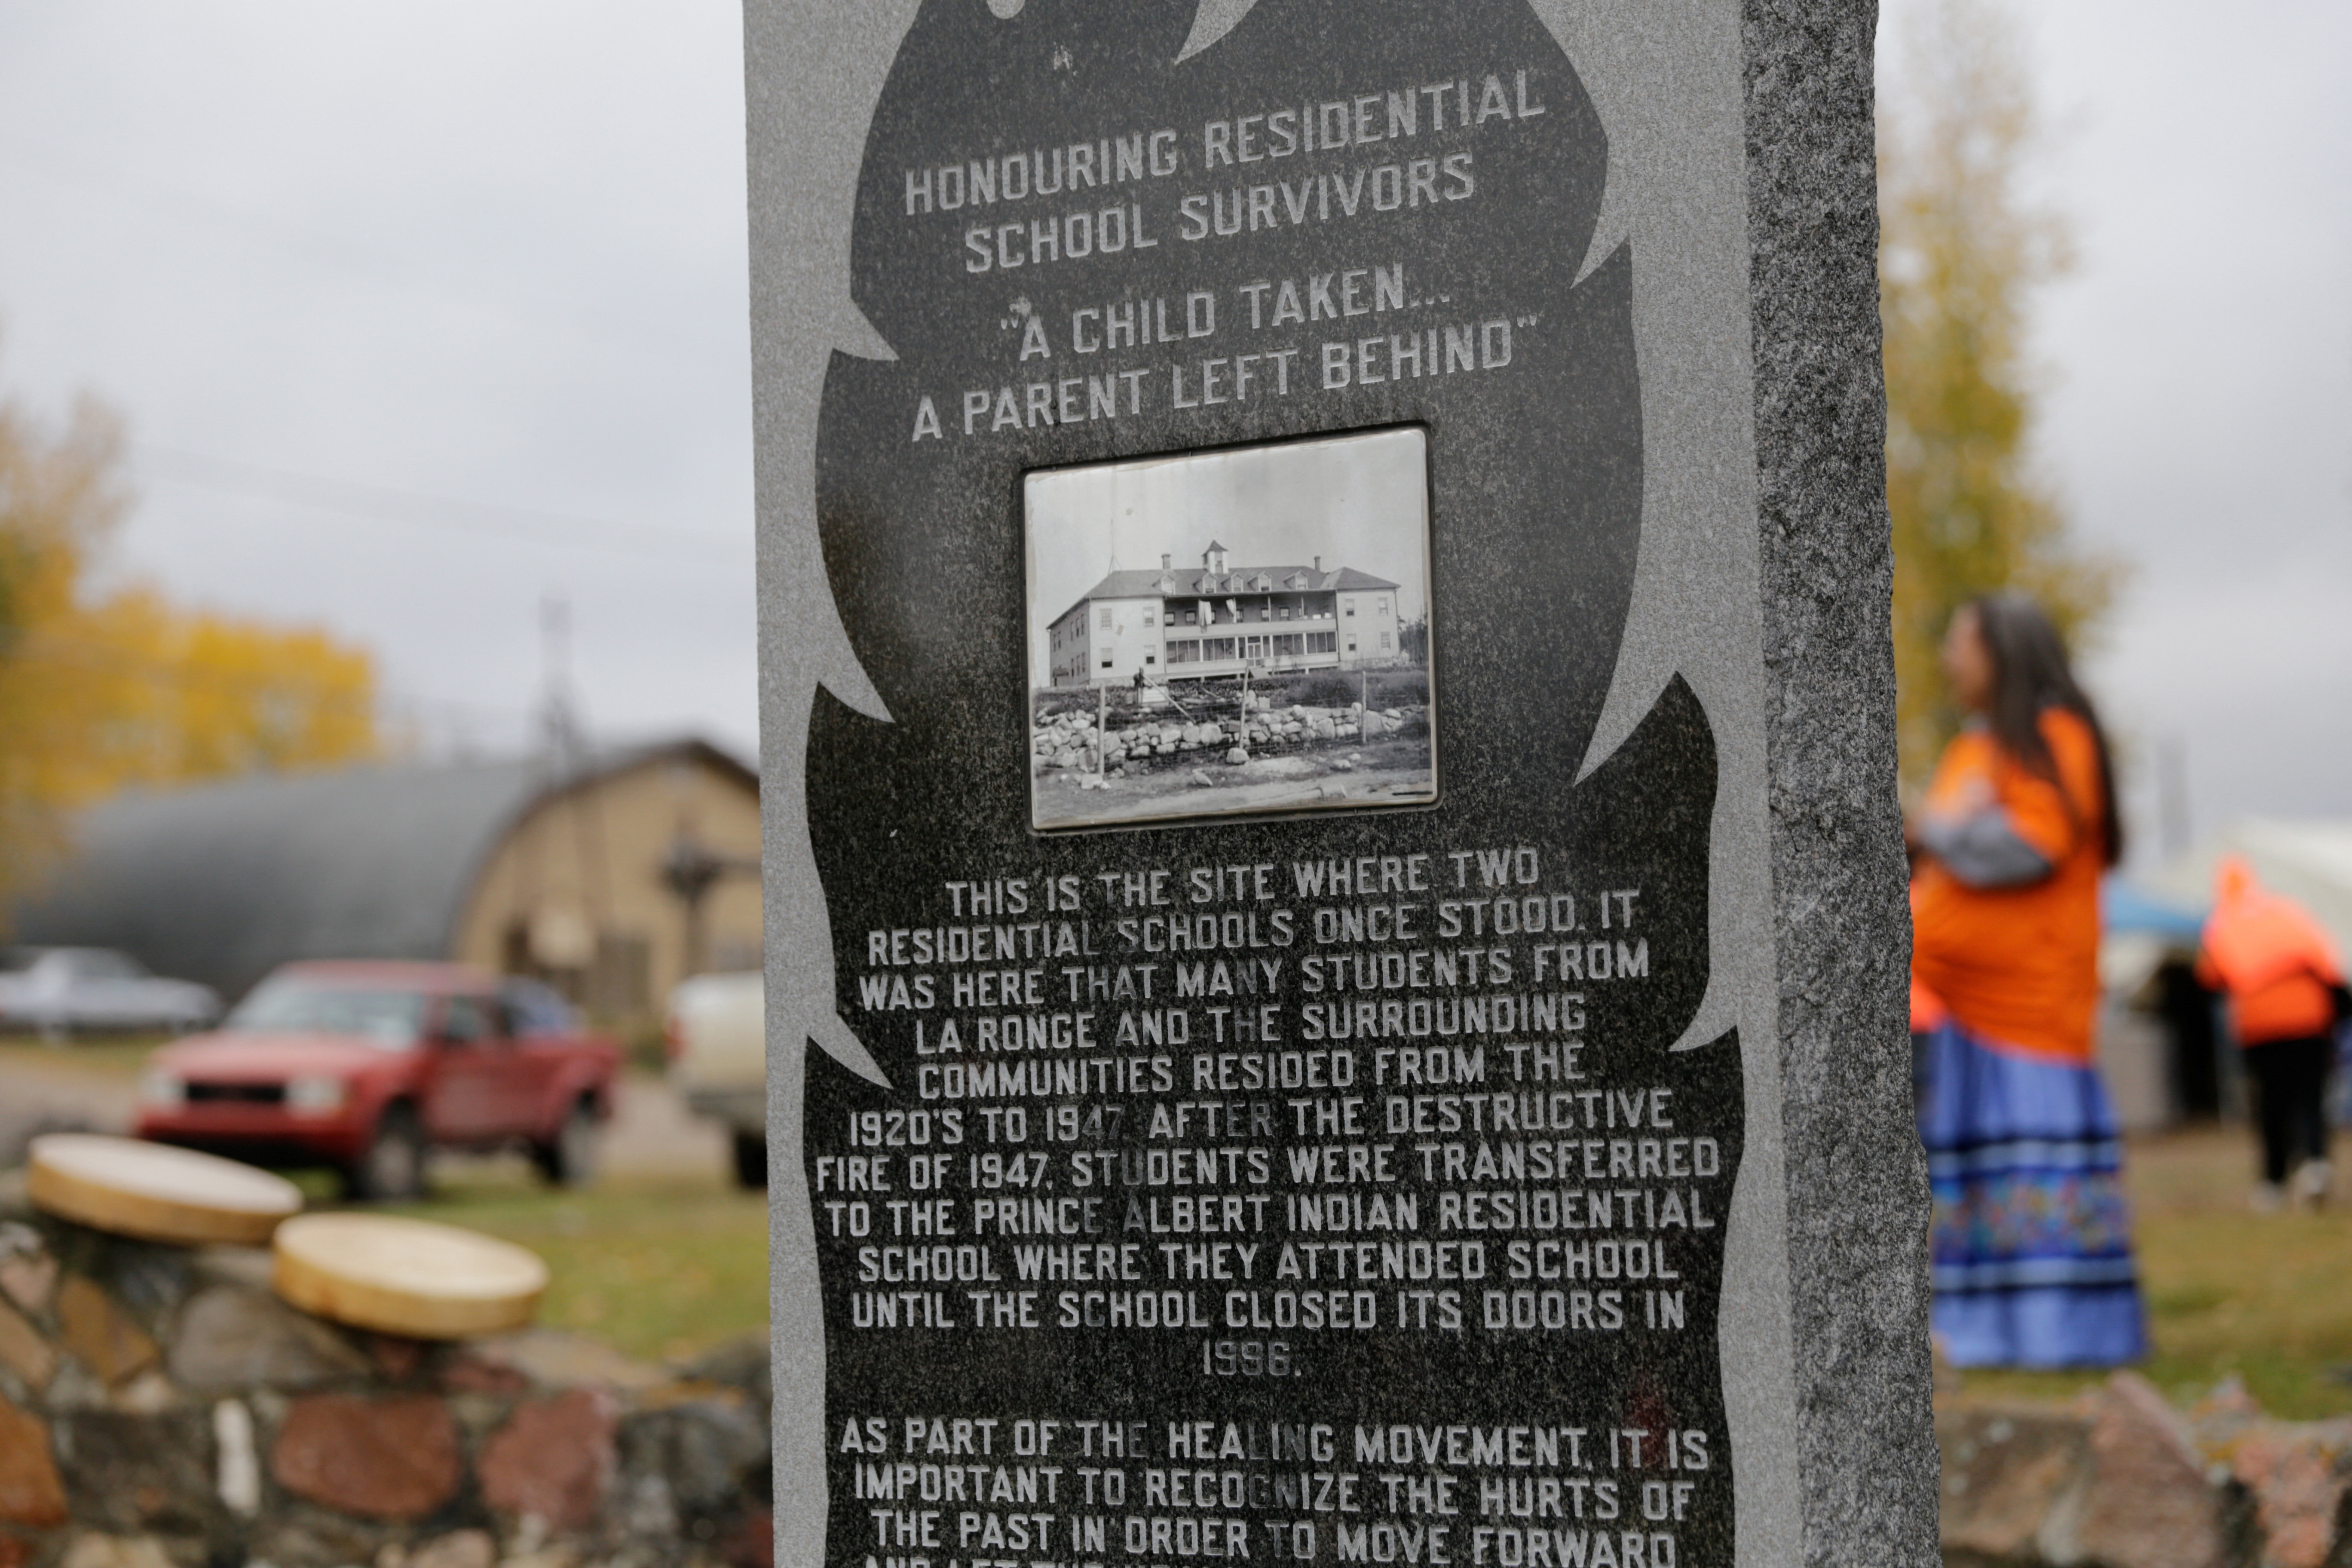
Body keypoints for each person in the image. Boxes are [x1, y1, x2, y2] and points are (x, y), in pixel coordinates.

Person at [1908, 591, 2146, 1367]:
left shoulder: (2054, 738)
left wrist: (1933, 829)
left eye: (1959, 642)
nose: (1949, 658)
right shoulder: (1976, 748)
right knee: (1975, 1173)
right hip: (1967, 1011)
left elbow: (2030, 844)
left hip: (2028, 1007)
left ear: (2000, 651)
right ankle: (1983, 1329)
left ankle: (2057, 1331)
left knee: (2029, 1166)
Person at [2197, 857, 2352, 1210]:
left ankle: (2273, 1182)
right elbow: (2326, 959)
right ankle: (2315, 1164)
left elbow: (2210, 977)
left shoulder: (2223, 923)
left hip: (2262, 1025)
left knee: (2272, 1103)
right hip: (2311, 1018)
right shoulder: (2286, 911)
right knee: (2311, 1096)